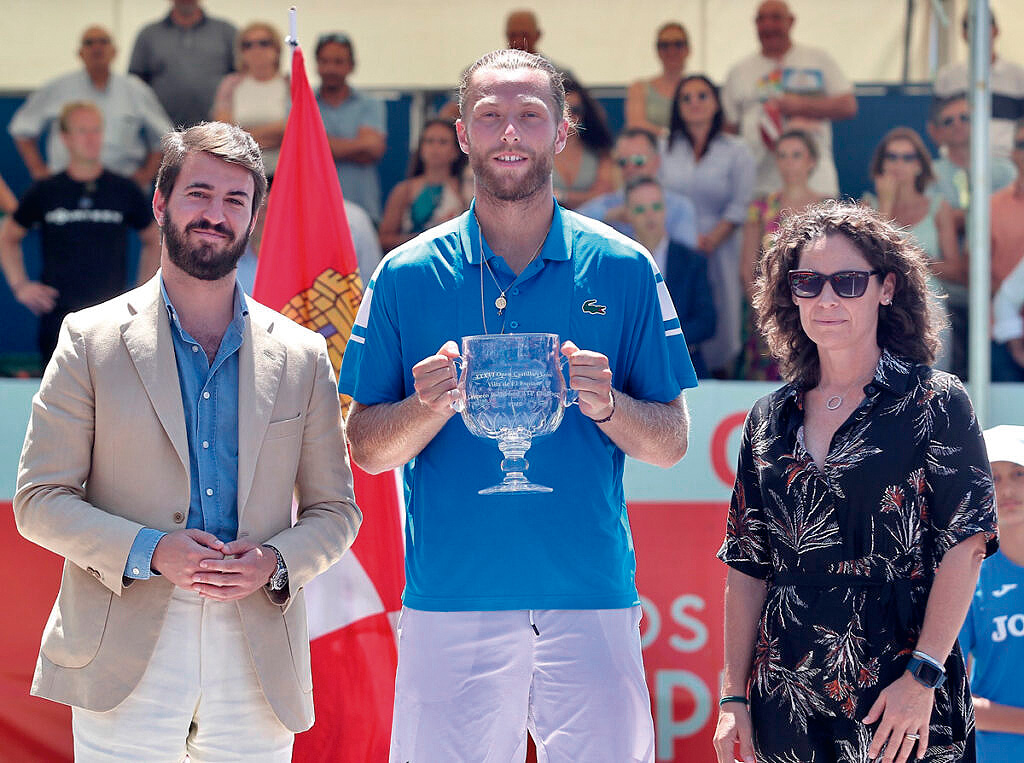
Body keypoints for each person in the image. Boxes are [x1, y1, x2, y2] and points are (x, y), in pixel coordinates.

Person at [339, 49, 696, 762]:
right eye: (490, 115)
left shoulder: (625, 268)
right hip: (451, 597)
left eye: (530, 115)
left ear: (563, 133)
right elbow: (368, 447)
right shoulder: (405, 273)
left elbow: (669, 442)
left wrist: (609, 405)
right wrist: (426, 405)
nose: (510, 132)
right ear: (463, 134)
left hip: (590, 593)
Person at [13, 120, 362, 760]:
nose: (215, 214)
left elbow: (337, 511)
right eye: (199, 193)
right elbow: (39, 500)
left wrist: (274, 562)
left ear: (253, 218)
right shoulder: (88, 341)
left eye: (236, 200)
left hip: (257, 653)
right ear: (160, 204)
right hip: (124, 645)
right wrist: (151, 550)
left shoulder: (304, 355)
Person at [713, 200, 997, 763]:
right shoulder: (768, 418)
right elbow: (747, 566)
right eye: (808, 283)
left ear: (885, 289)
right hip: (785, 695)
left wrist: (923, 677)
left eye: (846, 282)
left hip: (902, 692)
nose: (826, 300)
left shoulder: (936, 402)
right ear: (789, 295)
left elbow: (964, 548)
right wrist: (732, 696)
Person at [0, 102, 160, 366]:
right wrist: (20, 286)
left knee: (112, 401)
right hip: (59, 320)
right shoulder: (46, 191)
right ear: (65, 138)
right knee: (57, 402)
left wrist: (143, 292)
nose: (91, 138)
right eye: (82, 131)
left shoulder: (124, 190)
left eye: (96, 130)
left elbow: (153, 238)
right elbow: (8, 237)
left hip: (114, 321)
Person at [659, 74, 756, 375]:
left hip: (722, 245)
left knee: (722, 317)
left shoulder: (737, 150)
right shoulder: (663, 148)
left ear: (716, 103)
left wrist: (711, 240)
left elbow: (741, 204)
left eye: (702, 96)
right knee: (678, 309)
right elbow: (657, 196)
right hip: (674, 246)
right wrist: (686, 241)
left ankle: (720, 376)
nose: (694, 103)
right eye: (686, 98)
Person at [722, 0, 856, 197]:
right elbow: (729, 131)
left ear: (791, 21)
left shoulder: (818, 59)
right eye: (761, 19)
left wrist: (801, 105)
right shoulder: (739, 71)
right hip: (759, 183)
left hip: (815, 181)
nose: (768, 26)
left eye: (776, 18)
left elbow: (848, 106)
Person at [8, 25, 171, 187]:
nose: (97, 48)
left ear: (114, 51)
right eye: (89, 43)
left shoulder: (136, 90)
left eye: (103, 42)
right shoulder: (57, 88)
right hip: (65, 185)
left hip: (122, 187)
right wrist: (39, 171)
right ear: (80, 53)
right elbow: (21, 129)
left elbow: (164, 137)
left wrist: (146, 176)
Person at [927, 94, 1016, 379]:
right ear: (935, 131)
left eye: (965, 117)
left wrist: (959, 218)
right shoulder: (929, 174)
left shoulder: (1006, 170)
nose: (958, 125)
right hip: (947, 290)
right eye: (948, 120)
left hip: (998, 287)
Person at [863, 127, 962, 372]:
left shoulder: (939, 207)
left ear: (920, 165)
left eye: (908, 157)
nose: (899, 164)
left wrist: (916, 260)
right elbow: (870, 259)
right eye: (892, 157)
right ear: (881, 164)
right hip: (879, 309)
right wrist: (885, 203)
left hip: (928, 304)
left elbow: (955, 268)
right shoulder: (868, 205)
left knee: (931, 382)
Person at [735, 129, 825, 381]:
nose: (789, 163)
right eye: (782, 155)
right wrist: (768, 312)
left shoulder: (827, 207)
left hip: (817, 309)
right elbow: (747, 269)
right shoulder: (760, 207)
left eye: (796, 155)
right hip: (771, 311)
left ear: (812, 161)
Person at [959, 425, 1024, 762]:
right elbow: (952, 694)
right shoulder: (970, 576)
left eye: (1018, 473)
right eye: (994, 477)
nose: (1008, 488)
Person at [625, 175, 715, 377]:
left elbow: (707, 322)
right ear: (628, 214)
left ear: (665, 210)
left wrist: (659, 340)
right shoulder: (616, 263)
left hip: (686, 367)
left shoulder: (693, 261)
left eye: (655, 207)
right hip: (632, 373)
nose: (650, 215)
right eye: (640, 209)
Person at [577, 127, 697, 246]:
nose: (630, 168)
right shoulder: (609, 204)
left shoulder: (680, 208)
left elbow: (686, 259)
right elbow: (571, 226)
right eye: (623, 162)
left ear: (656, 162)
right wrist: (609, 215)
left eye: (638, 161)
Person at [129, 0, 236, 129]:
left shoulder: (226, 32)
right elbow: (135, 86)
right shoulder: (148, 35)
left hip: (216, 134)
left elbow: (242, 79)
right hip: (162, 134)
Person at [315, 32, 387, 222]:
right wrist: (357, 146)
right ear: (316, 64)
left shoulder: (370, 104)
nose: (331, 68)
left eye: (338, 62)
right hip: (315, 209)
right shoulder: (302, 103)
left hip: (363, 207)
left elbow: (373, 149)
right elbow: (304, 150)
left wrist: (321, 147)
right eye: (325, 61)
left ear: (351, 66)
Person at [934, 10, 1024, 159]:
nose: (978, 33)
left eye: (984, 26)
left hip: (1007, 161)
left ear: (996, 31)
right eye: (971, 26)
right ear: (963, 34)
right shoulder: (947, 78)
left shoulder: (1018, 77)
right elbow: (935, 126)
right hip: (959, 163)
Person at [212, 22, 288, 179]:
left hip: (284, 173)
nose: (256, 50)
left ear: (277, 48)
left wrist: (244, 135)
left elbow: (293, 130)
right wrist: (275, 133)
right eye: (248, 45)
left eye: (264, 43)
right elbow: (225, 134)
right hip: (242, 172)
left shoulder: (290, 84)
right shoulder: (231, 85)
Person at [378, 119, 467, 252]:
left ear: (456, 151)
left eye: (443, 142)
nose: (435, 147)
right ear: (421, 149)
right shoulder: (404, 190)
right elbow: (384, 239)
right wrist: (422, 240)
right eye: (429, 141)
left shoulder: (465, 189)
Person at [552, 78, 615, 208]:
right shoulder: (536, 148)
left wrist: (561, 197)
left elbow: (604, 195)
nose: (568, 117)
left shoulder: (599, 149)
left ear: (585, 113)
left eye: (575, 110)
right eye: (562, 109)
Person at [625, 22, 690, 136]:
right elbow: (635, 124)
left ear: (688, 49)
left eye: (678, 44)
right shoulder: (639, 88)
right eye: (664, 45)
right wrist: (670, 138)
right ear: (657, 51)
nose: (671, 51)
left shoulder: (699, 90)